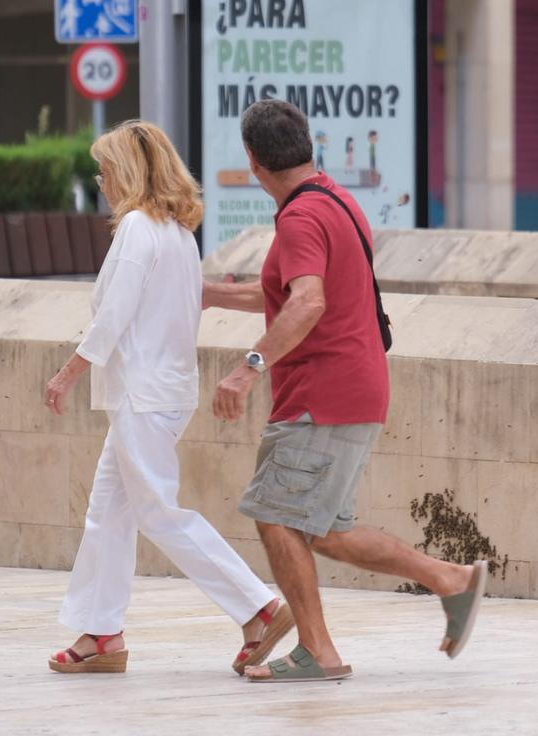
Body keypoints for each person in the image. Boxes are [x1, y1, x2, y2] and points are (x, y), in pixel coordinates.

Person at [204, 99, 487, 683]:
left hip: (321, 394)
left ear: (254, 161)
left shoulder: (299, 219)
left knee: (274, 516)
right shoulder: (335, 199)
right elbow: (289, 293)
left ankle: (318, 652)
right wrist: (210, 293)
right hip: (353, 386)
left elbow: (308, 302)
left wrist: (248, 366)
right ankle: (451, 579)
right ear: (307, 144)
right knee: (325, 530)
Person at [43, 120, 294, 675]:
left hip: (144, 394)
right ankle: (100, 634)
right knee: (108, 512)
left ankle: (259, 606)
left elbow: (114, 317)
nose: (101, 180)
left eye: (104, 170)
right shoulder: (178, 234)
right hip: (164, 391)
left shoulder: (136, 228)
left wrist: (67, 374)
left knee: (156, 511)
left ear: (126, 173)